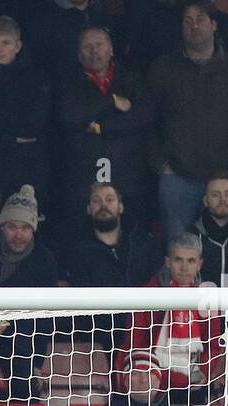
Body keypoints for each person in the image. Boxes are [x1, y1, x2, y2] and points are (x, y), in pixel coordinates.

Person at [148, 1, 228, 243]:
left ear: (214, 25)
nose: (193, 26)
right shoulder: (162, 70)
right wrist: (161, 166)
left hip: (224, 179)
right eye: (187, 21)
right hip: (177, 179)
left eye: (199, 19)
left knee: (224, 253)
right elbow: (149, 123)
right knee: (179, 259)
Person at [55, 27, 156, 245]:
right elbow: (70, 115)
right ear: (79, 54)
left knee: (134, 243)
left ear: (111, 49)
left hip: (130, 180)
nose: (94, 51)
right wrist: (113, 102)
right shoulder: (67, 82)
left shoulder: (133, 79)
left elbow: (145, 115)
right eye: (87, 47)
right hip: (83, 182)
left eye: (99, 45)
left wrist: (101, 126)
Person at [125, 233, 223, 395]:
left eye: (191, 261)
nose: (184, 267)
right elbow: (136, 342)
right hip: (152, 381)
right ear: (168, 262)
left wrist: (202, 372)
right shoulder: (147, 294)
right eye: (178, 260)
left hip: (196, 380)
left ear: (199, 264)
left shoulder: (208, 298)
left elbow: (213, 345)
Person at [0, 17, 51, 202]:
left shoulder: (38, 80)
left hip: (26, 169)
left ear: (18, 46)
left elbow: (33, 124)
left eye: (6, 43)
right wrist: (10, 137)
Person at [0, 185, 62, 288]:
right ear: (2, 228)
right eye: (12, 227)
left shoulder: (45, 261)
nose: (18, 235)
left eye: (25, 228)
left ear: (33, 231)